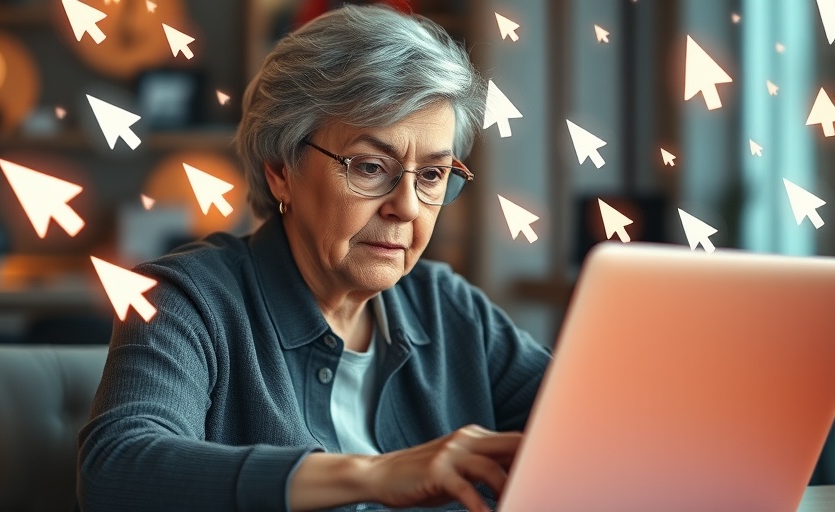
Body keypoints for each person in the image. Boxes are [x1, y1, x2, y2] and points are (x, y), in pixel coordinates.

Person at [77, 4, 552, 511]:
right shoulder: (186, 302)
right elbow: (115, 473)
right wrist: (375, 474)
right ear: (282, 169)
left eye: (432, 175)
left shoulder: (450, 308)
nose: (407, 208)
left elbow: (592, 429)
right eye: (370, 167)